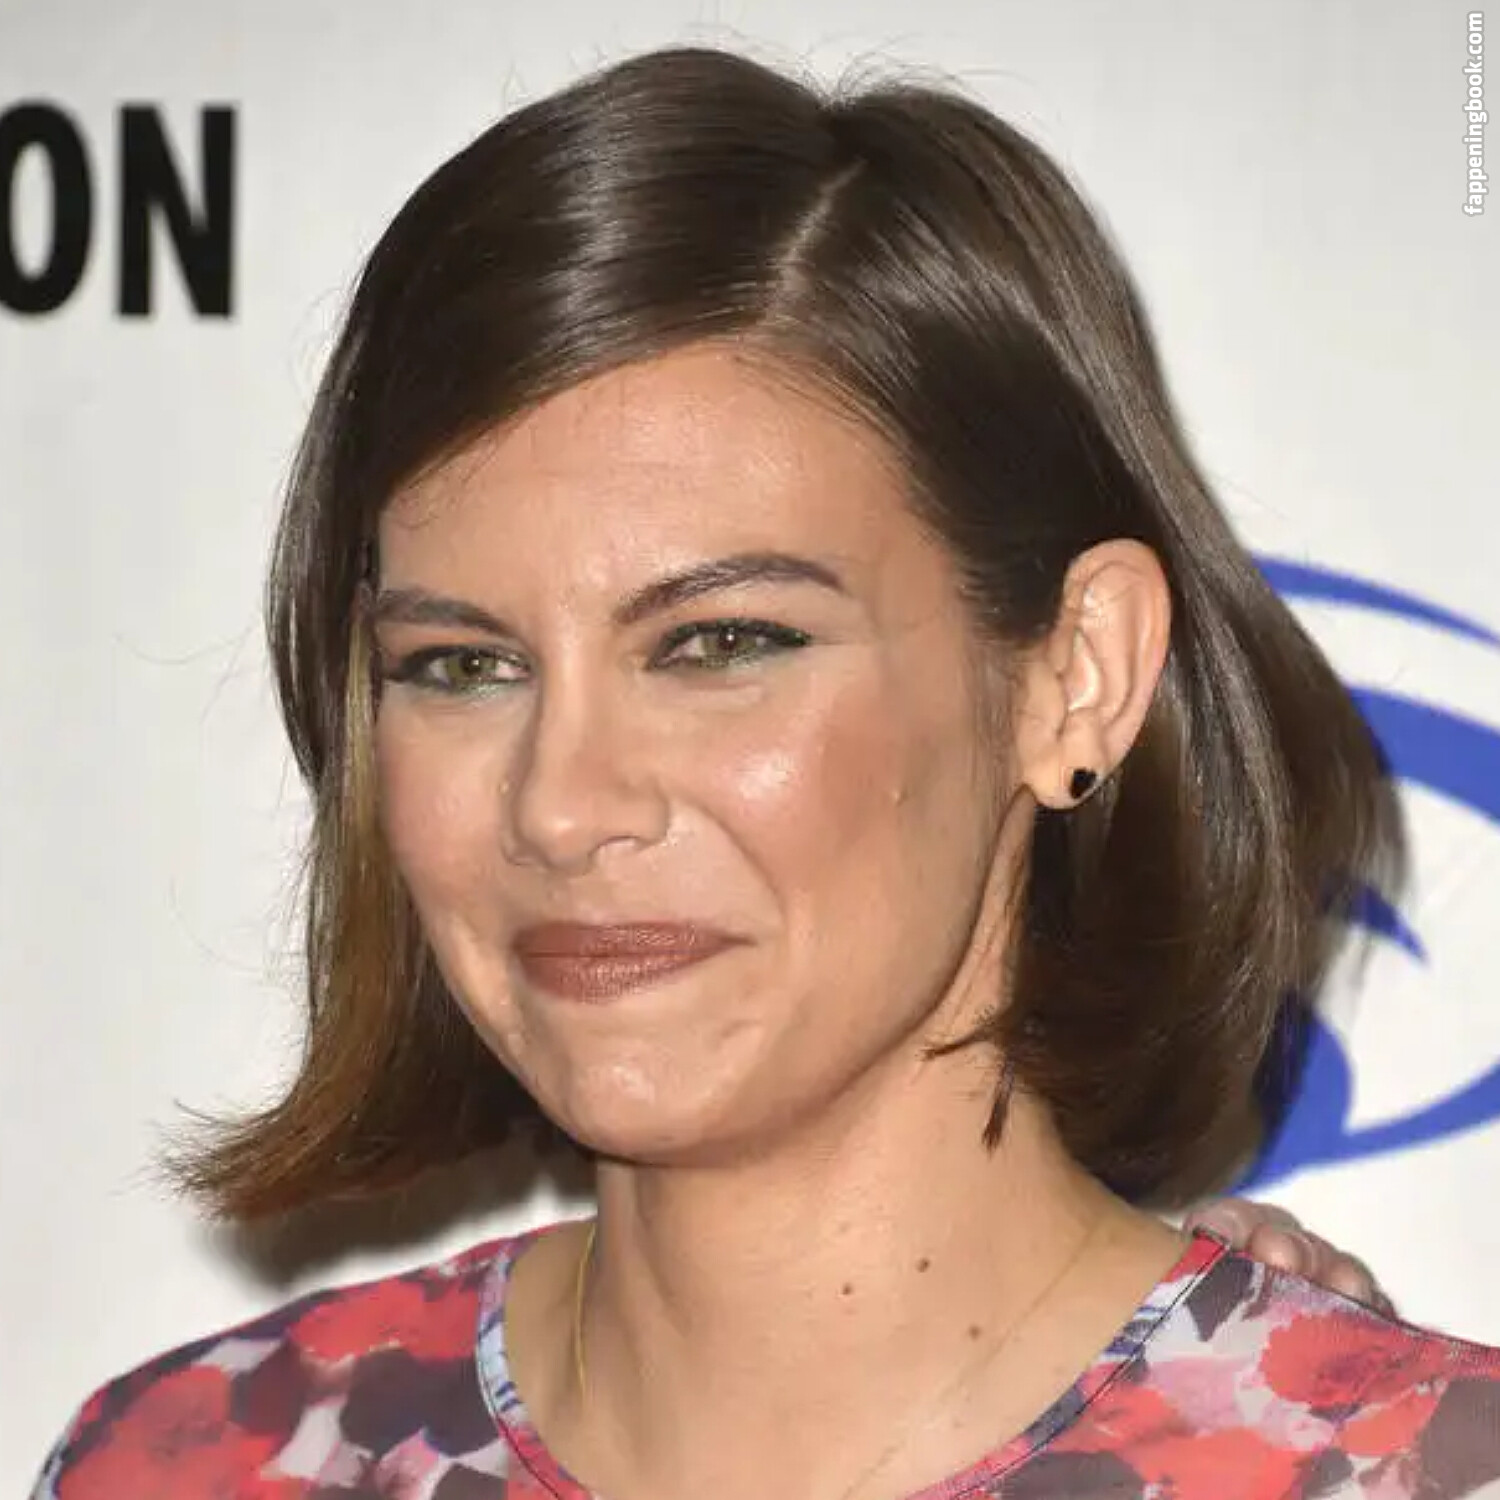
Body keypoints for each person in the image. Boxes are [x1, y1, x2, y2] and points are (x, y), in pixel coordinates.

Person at [32, 45, 1500, 1500]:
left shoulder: (1411, 1473)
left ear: (1076, 676)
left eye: (722, 642)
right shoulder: (184, 1466)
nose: (561, 806)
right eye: (464, 665)